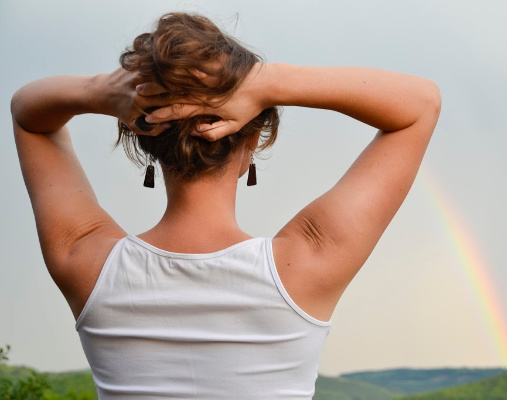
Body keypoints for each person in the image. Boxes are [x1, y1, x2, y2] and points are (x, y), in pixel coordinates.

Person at [12, 12, 441, 400]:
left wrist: (99, 91)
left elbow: (28, 115)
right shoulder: (308, 263)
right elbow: (420, 104)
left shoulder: (84, 259)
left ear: (143, 137)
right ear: (253, 139)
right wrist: (266, 82)